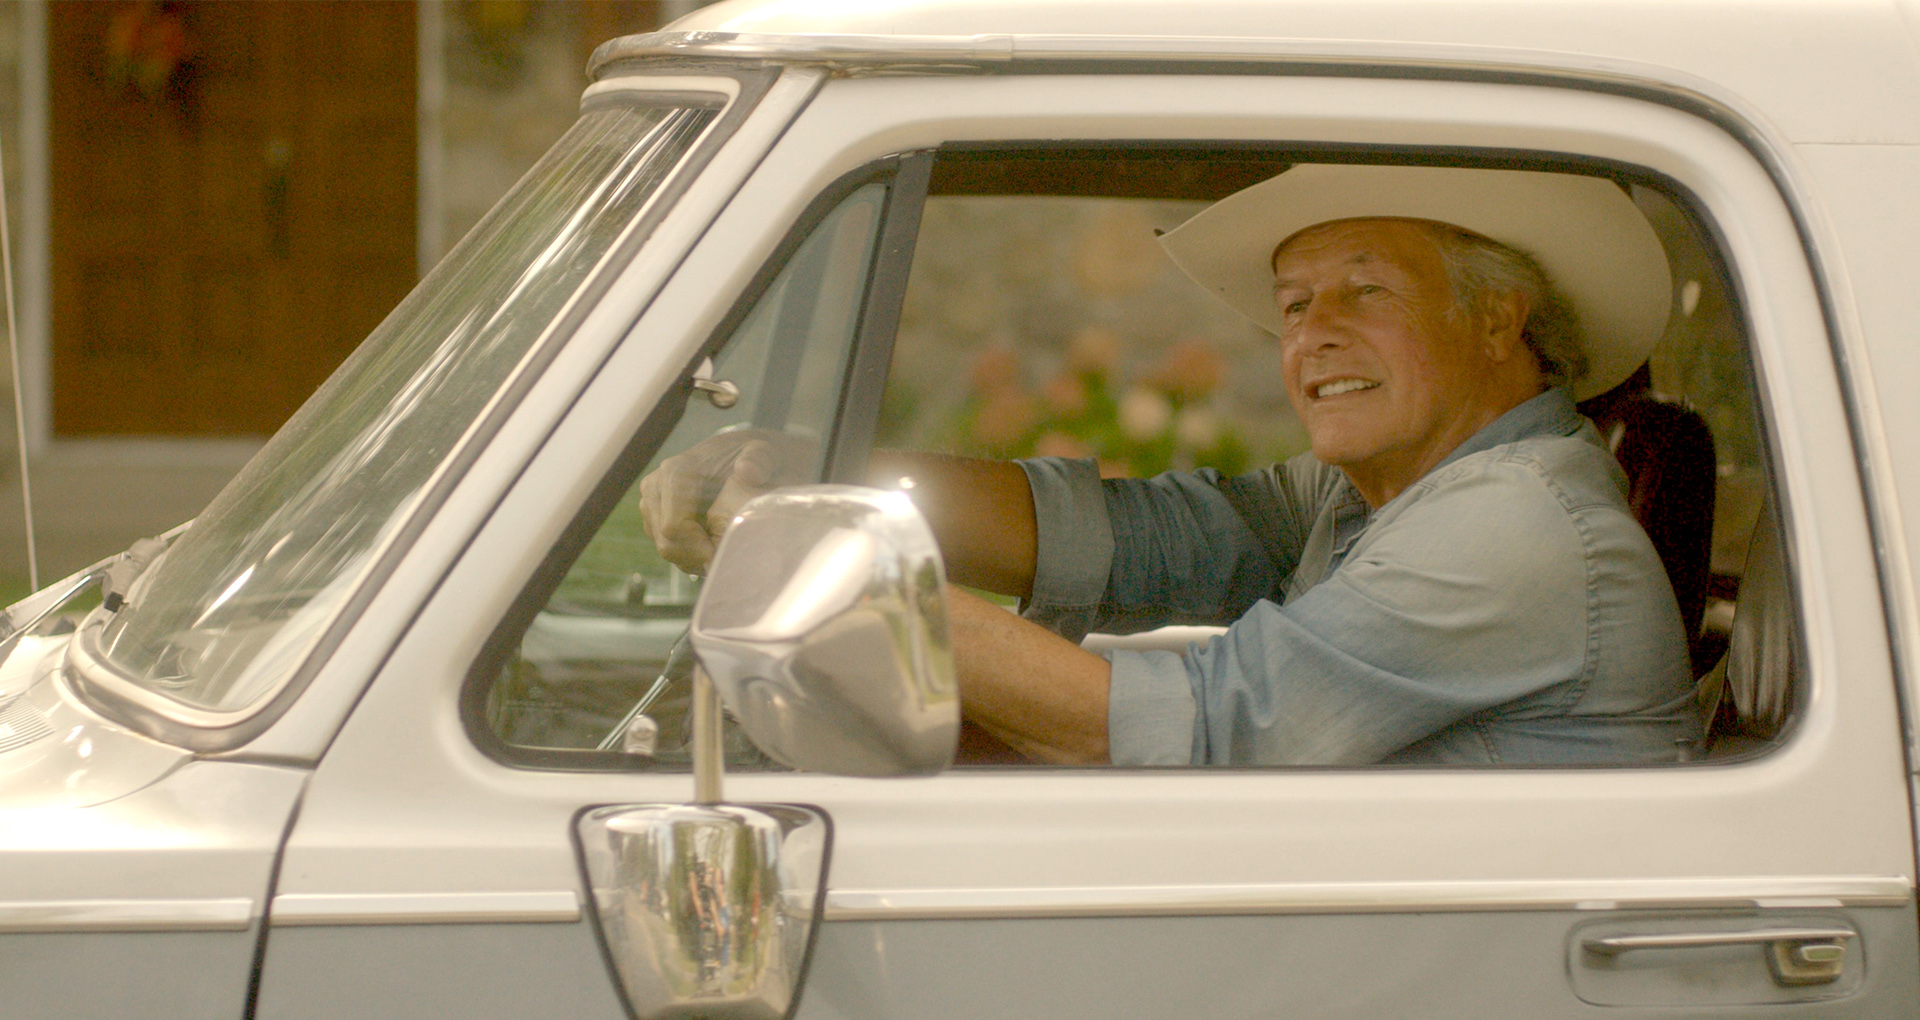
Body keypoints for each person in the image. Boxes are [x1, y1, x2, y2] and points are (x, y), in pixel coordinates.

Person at [641, 163, 1698, 768]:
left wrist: (849, 571)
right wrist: (814, 475)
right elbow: (1145, 535)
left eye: (1366, 291)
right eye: (1293, 306)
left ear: (1497, 317)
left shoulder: (1513, 524)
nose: (1313, 334)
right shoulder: (1383, 492)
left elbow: (1203, 727)